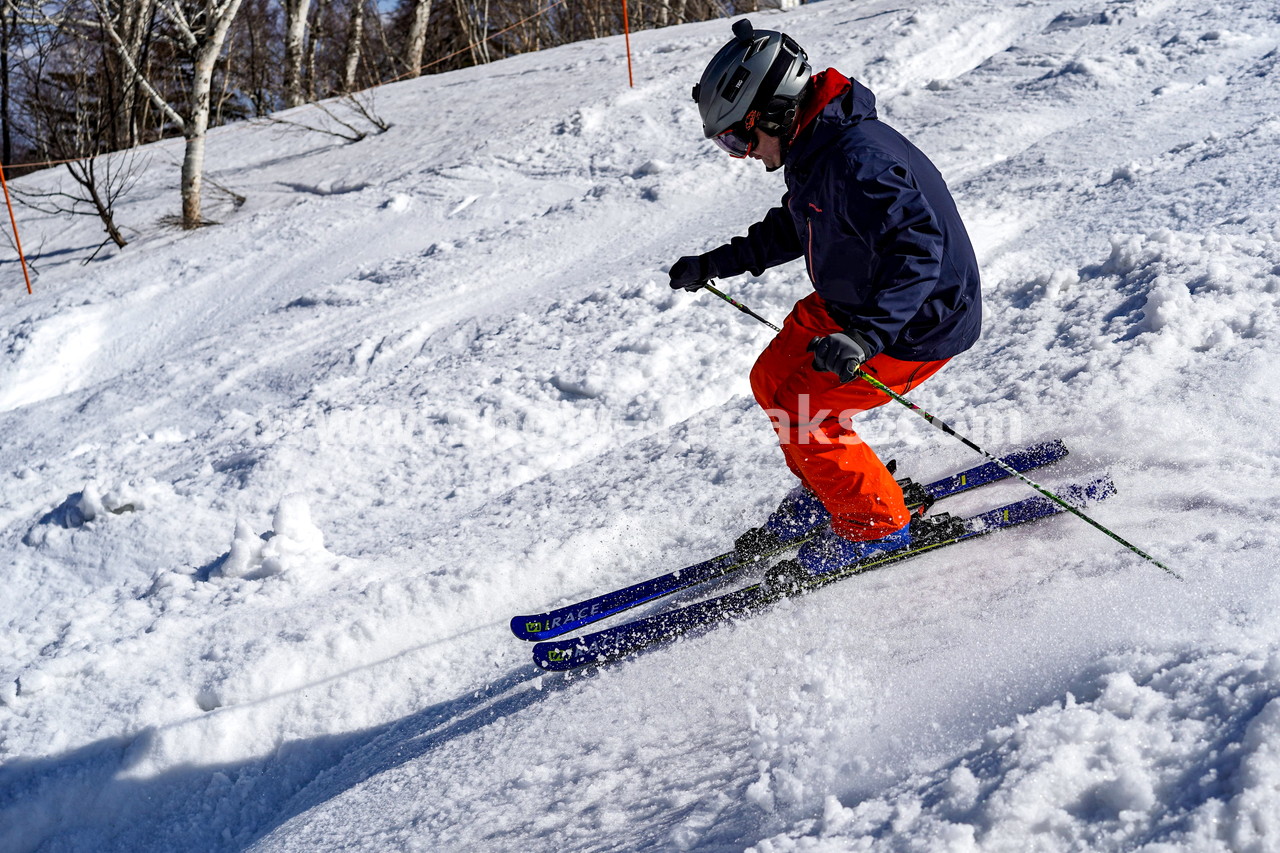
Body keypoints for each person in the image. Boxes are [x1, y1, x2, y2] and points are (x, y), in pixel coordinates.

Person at [669, 19, 982, 576]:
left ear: (772, 113)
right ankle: (829, 488)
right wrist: (715, 264)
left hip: (916, 320)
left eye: (738, 139)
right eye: (726, 145)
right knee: (772, 378)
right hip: (858, 301)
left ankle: (877, 527)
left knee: (804, 411)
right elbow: (796, 225)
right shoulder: (817, 148)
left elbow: (917, 249)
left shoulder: (857, 157)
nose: (740, 154)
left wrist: (866, 336)